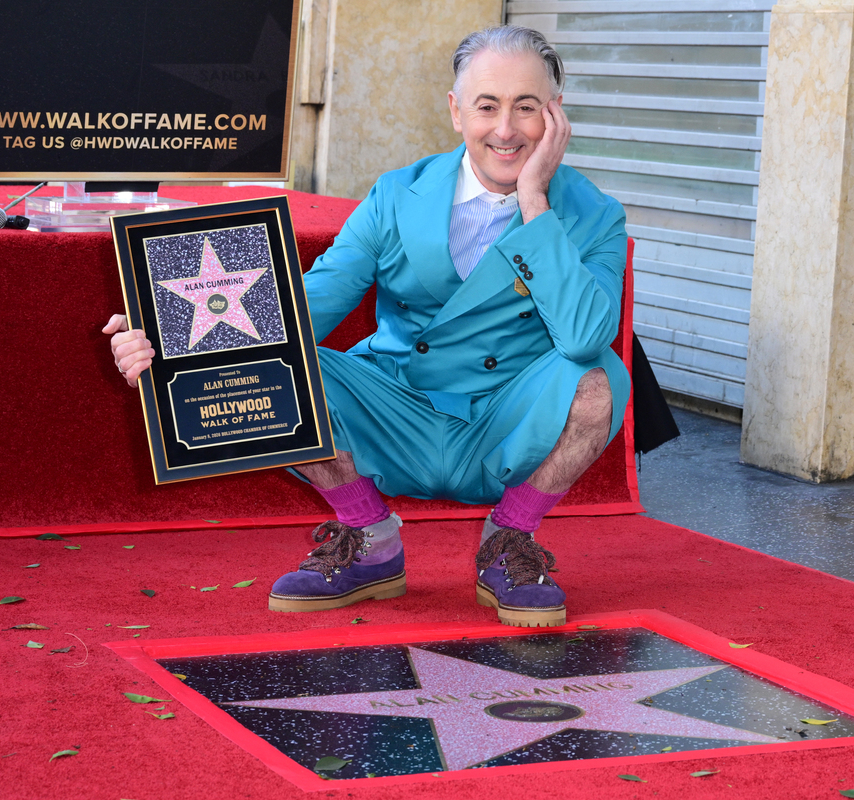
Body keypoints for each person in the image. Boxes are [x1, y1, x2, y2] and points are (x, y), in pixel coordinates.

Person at [103, 26, 630, 628]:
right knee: (263, 360)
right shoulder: (395, 195)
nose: (506, 130)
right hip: (397, 405)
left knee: (598, 380)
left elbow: (586, 338)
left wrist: (536, 203)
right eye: (487, 106)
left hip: (505, 418)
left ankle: (509, 540)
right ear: (456, 111)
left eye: (527, 108)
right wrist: (168, 340)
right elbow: (305, 307)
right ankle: (370, 541)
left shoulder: (594, 214)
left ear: (555, 116)